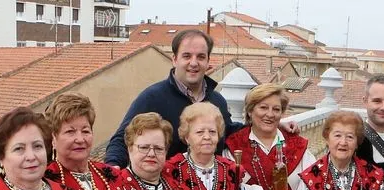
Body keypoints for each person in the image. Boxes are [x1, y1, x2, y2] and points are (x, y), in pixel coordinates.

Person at [105, 29, 299, 167]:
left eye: (200, 57)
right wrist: (111, 171)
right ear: (174, 59)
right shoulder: (152, 98)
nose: (193, 63)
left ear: (208, 61)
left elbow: (231, 132)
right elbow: (121, 139)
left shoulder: (217, 101)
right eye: (187, 56)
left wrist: (271, 124)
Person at [225, 83, 317, 190]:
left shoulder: (297, 145)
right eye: (263, 107)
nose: (270, 114)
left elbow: (313, 182)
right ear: (250, 111)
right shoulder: (234, 145)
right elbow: (231, 186)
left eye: (276, 109)